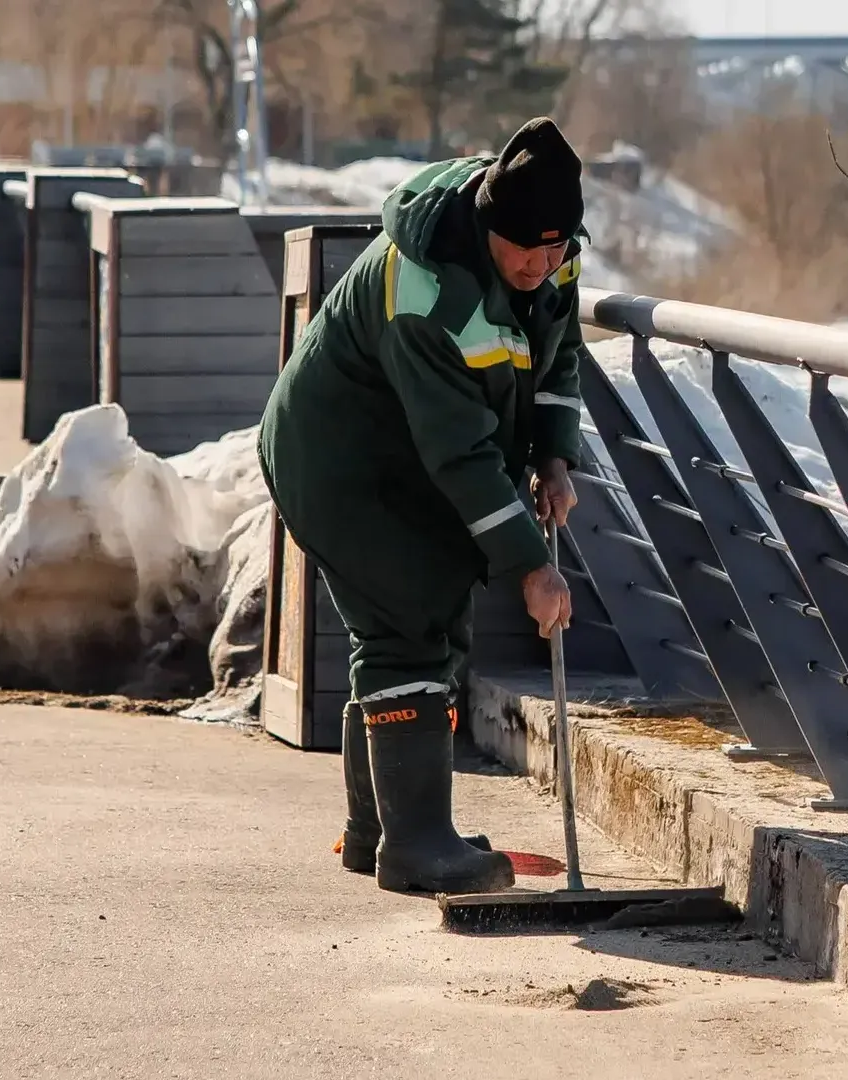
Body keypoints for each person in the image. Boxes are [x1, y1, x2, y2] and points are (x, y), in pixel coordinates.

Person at [258, 116, 588, 895]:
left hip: (409, 459)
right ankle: (417, 847)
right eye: (526, 250)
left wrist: (554, 455)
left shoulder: (552, 253)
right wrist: (531, 569)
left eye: (558, 248)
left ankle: (382, 831)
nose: (543, 265)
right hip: (343, 462)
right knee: (405, 622)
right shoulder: (425, 293)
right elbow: (461, 456)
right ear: (487, 223)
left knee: (433, 616)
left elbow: (556, 353)